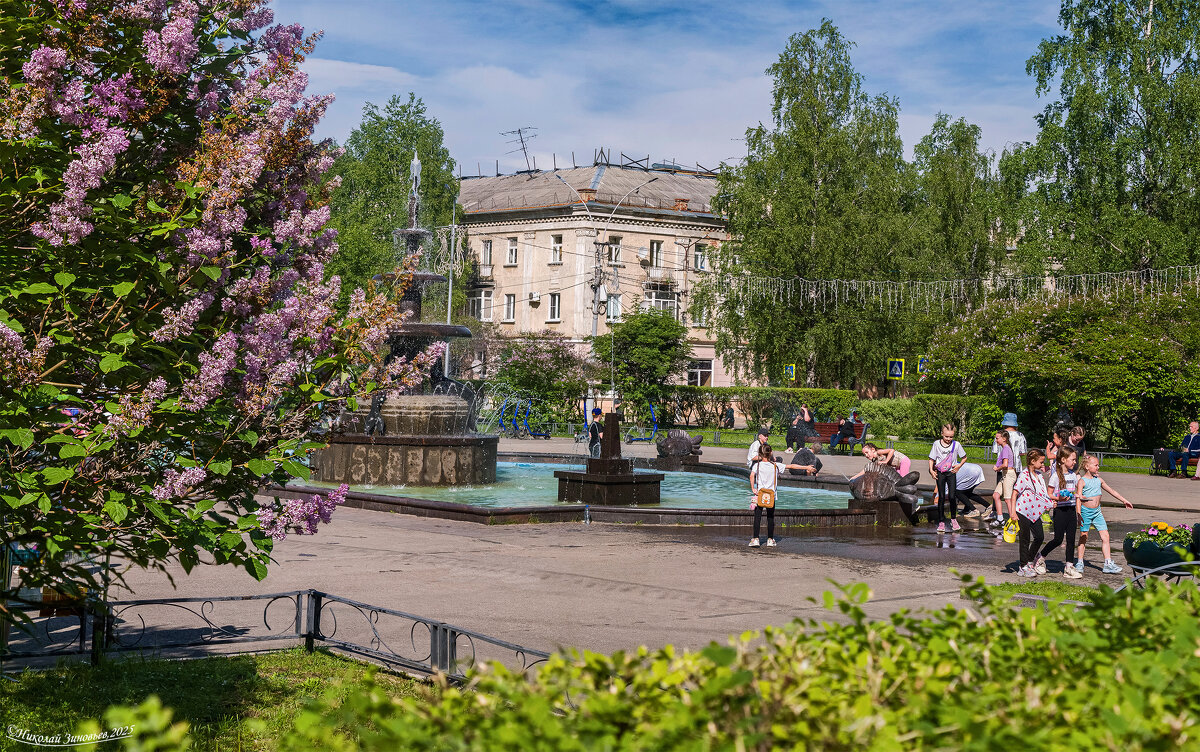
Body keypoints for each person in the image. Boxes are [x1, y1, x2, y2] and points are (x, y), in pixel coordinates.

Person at [1075, 454, 1133, 575]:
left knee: (1105, 536)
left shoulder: (1099, 480)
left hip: (1097, 513)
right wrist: (1078, 514)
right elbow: (1078, 499)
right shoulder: (1082, 481)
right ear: (1087, 466)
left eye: (1098, 465)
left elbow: (1112, 491)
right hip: (1085, 513)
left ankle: (1108, 564)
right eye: (1096, 465)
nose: (1098, 467)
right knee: (1084, 536)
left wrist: (1124, 500)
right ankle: (1080, 562)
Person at [748, 443, 811, 548]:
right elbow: (791, 466)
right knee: (770, 517)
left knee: (757, 517)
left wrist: (753, 488)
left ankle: (755, 539)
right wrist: (806, 467)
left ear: (760, 454)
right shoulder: (775, 465)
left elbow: (751, 475)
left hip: (760, 494)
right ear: (770, 453)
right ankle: (770, 539)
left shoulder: (757, 465)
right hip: (771, 495)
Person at [1008, 449, 1055, 578]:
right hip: (1022, 511)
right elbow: (1014, 493)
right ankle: (1022, 567)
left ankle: (1029, 560)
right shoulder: (1024, 475)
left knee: (1039, 537)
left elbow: (1042, 493)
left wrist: (1050, 503)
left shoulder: (1039, 475)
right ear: (1033, 461)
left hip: (1034, 512)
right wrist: (1012, 512)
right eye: (1041, 462)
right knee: (1025, 539)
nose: (1043, 464)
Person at [1037, 447, 1081, 578]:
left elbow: (1077, 490)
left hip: (1071, 510)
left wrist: (1079, 496)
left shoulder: (1073, 475)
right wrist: (1059, 498)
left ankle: (1069, 567)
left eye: (1075, 460)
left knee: (1071, 539)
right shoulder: (1055, 476)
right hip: (1060, 511)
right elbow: (1049, 494)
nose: (1075, 462)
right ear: (1063, 460)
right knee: (1058, 539)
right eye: (1072, 459)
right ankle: (1040, 557)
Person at [928, 424, 966, 533]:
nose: (948, 439)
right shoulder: (936, 444)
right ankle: (941, 522)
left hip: (951, 473)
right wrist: (931, 470)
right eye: (946, 436)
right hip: (940, 473)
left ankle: (953, 519)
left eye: (951, 437)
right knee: (941, 497)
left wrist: (958, 466)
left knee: (952, 496)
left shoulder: (956, 444)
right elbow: (931, 459)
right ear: (942, 434)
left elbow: (964, 457)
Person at [989, 430, 1016, 526]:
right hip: (1005, 474)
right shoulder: (1005, 448)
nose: (996, 440)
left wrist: (997, 468)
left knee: (1008, 499)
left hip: (1008, 474)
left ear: (1004, 439)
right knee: (996, 495)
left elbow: (1005, 464)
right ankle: (1000, 519)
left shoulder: (1005, 449)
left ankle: (1013, 521)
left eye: (997, 438)